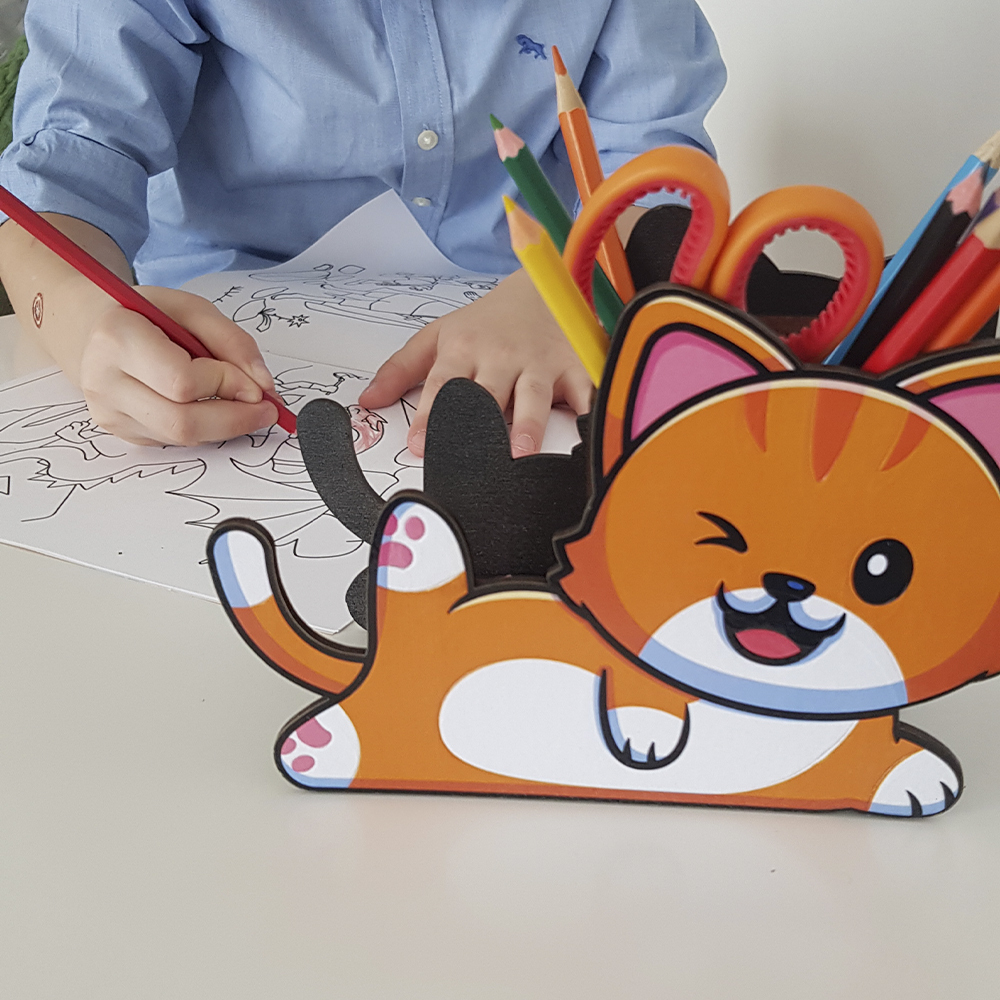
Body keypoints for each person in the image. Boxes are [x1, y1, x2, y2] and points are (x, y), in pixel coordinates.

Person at [0, 1, 725, 455]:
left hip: (545, 322)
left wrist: (574, 286)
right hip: (223, 335)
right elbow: (65, 169)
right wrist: (77, 316)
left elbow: (660, 171)